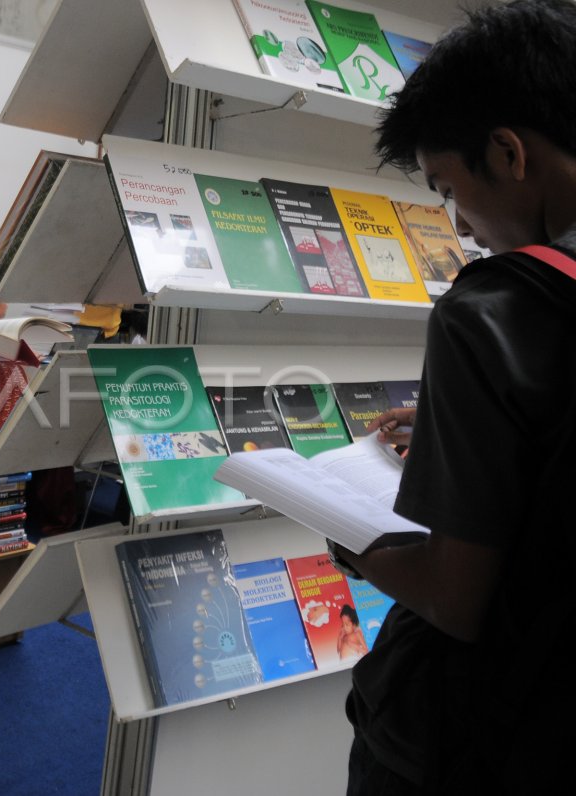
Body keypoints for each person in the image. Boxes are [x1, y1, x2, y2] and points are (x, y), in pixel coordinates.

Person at [327, 2, 576, 792]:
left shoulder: (491, 309)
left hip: (477, 732)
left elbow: (454, 595)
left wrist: (351, 543)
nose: (464, 230)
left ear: (507, 153)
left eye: (448, 188)